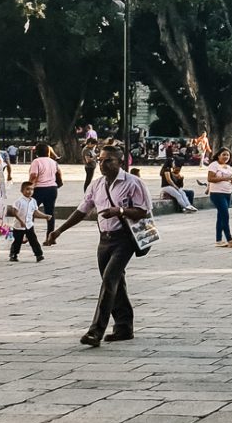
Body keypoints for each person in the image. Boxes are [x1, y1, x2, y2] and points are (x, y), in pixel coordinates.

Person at [44, 144, 152, 346]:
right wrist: (59, 230)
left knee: (109, 281)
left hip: (125, 238)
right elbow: (82, 210)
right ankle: (124, 327)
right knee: (115, 281)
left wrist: (120, 211)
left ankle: (95, 331)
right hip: (105, 239)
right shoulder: (97, 185)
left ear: (121, 162)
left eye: (108, 160)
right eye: (100, 160)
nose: (102, 164)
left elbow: (143, 211)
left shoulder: (133, 183)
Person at [8, 181, 49, 262]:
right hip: (19, 226)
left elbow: (35, 212)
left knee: (33, 239)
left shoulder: (33, 201)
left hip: (29, 225)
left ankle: (39, 254)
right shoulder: (18, 201)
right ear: (22, 190)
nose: (30, 191)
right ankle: (14, 254)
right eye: (27, 189)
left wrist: (45, 216)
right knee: (18, 241)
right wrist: (21, 221)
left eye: (32, 189)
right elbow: (14, 212)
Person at [28, 143, 62, 238]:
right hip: (52, 189)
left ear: (36, 152)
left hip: (39, 189)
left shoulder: (36, 161)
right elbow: (59, 173)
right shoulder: (53, 162)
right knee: (50, 212)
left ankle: (29, 234)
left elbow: (33, 175)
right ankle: (50, 236)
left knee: (31, 211)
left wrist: (29, 186)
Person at [208, 149, 232, 247]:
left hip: (227, 193)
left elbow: (229, 181)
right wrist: (223, 178)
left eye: (228, 155)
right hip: (217, 193)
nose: (226, 157)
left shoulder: (229, 167)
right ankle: (229, 239)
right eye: (224, 154)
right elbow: (210, 178)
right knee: (225, 215)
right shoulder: (214, 165)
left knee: (220, 216)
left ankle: (219, 240)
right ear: (218, 155)